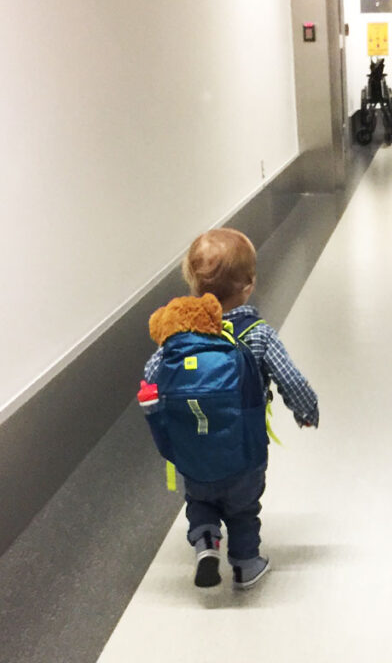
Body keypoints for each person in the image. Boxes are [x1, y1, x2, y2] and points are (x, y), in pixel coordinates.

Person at [143, 228, 319, 588]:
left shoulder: (178, 338)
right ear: (249, 285)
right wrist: (307, 410)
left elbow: (151, 378)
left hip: (194, 454)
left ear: (192, 283)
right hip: (245, 453)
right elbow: (292, 381)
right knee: (243, 511)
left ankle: (206, 540)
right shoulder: (257, 334)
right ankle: (246, 564)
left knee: (200, 500)